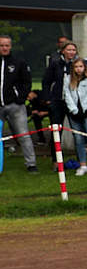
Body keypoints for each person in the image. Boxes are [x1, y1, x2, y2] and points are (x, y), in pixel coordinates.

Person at [0, 34, 39, 172]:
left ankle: (31, 164)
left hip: (15, 106)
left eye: (6, 45)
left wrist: (20, 98)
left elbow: (27, 82)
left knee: (23, 135)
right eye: (1, 45)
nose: (4, 48)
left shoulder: (19, 62)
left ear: (10, 46)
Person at [62, 56, 87, 176]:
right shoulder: (68, 79)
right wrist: (74, 110)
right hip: (74, 113)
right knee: (78, 139)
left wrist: (85, 108)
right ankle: (83, 165)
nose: (78, 69)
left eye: (80, 66)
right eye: (76, 67)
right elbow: (67, 94)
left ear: (84, 67)